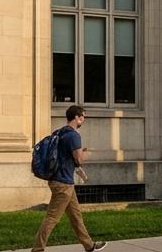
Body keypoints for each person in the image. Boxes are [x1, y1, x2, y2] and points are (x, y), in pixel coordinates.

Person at [32, 105, 106, 252]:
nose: (83, 119)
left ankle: (89, 246)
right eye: (83, 116)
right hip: (63, 184)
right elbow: (78, 160)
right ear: (77, 117)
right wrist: (87, 154)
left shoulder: (59, 133)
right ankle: (37, 250)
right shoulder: (74, 136)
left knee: (76, 216)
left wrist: (79, 171)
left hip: (60, 181)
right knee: (52, 218)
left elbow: (66, 160)